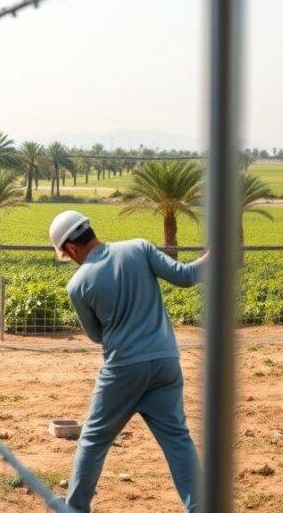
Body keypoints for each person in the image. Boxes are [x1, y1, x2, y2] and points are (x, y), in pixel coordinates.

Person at [48, 209, 208, 513]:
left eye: (67, 256)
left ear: (70, 248)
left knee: (93, 440)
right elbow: (186, 277)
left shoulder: (78, 284)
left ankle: (76, 508)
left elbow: (96, 336)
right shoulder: (139, 247)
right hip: (165, 362)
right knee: (177, 439)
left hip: (122, 369)